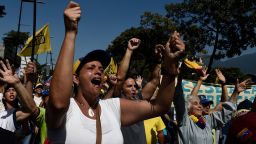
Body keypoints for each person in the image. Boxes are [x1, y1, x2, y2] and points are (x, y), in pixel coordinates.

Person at [46, 1, 185, 144]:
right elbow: (58, 104)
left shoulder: (112, 108)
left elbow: (159, 106)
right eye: (91, 68)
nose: (98, 72)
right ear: (75, 79)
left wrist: (170, 66)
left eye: (101, 69)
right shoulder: (67, 110)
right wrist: (70, 33)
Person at [173, 68, 242, 144]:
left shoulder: (208, 120)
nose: (200, 106)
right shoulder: (185, 121)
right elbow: (180, 101)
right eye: (196, 104)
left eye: (200, 104)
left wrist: (236, 92)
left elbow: (226, 111)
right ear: (188, 108)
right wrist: (179, 80)